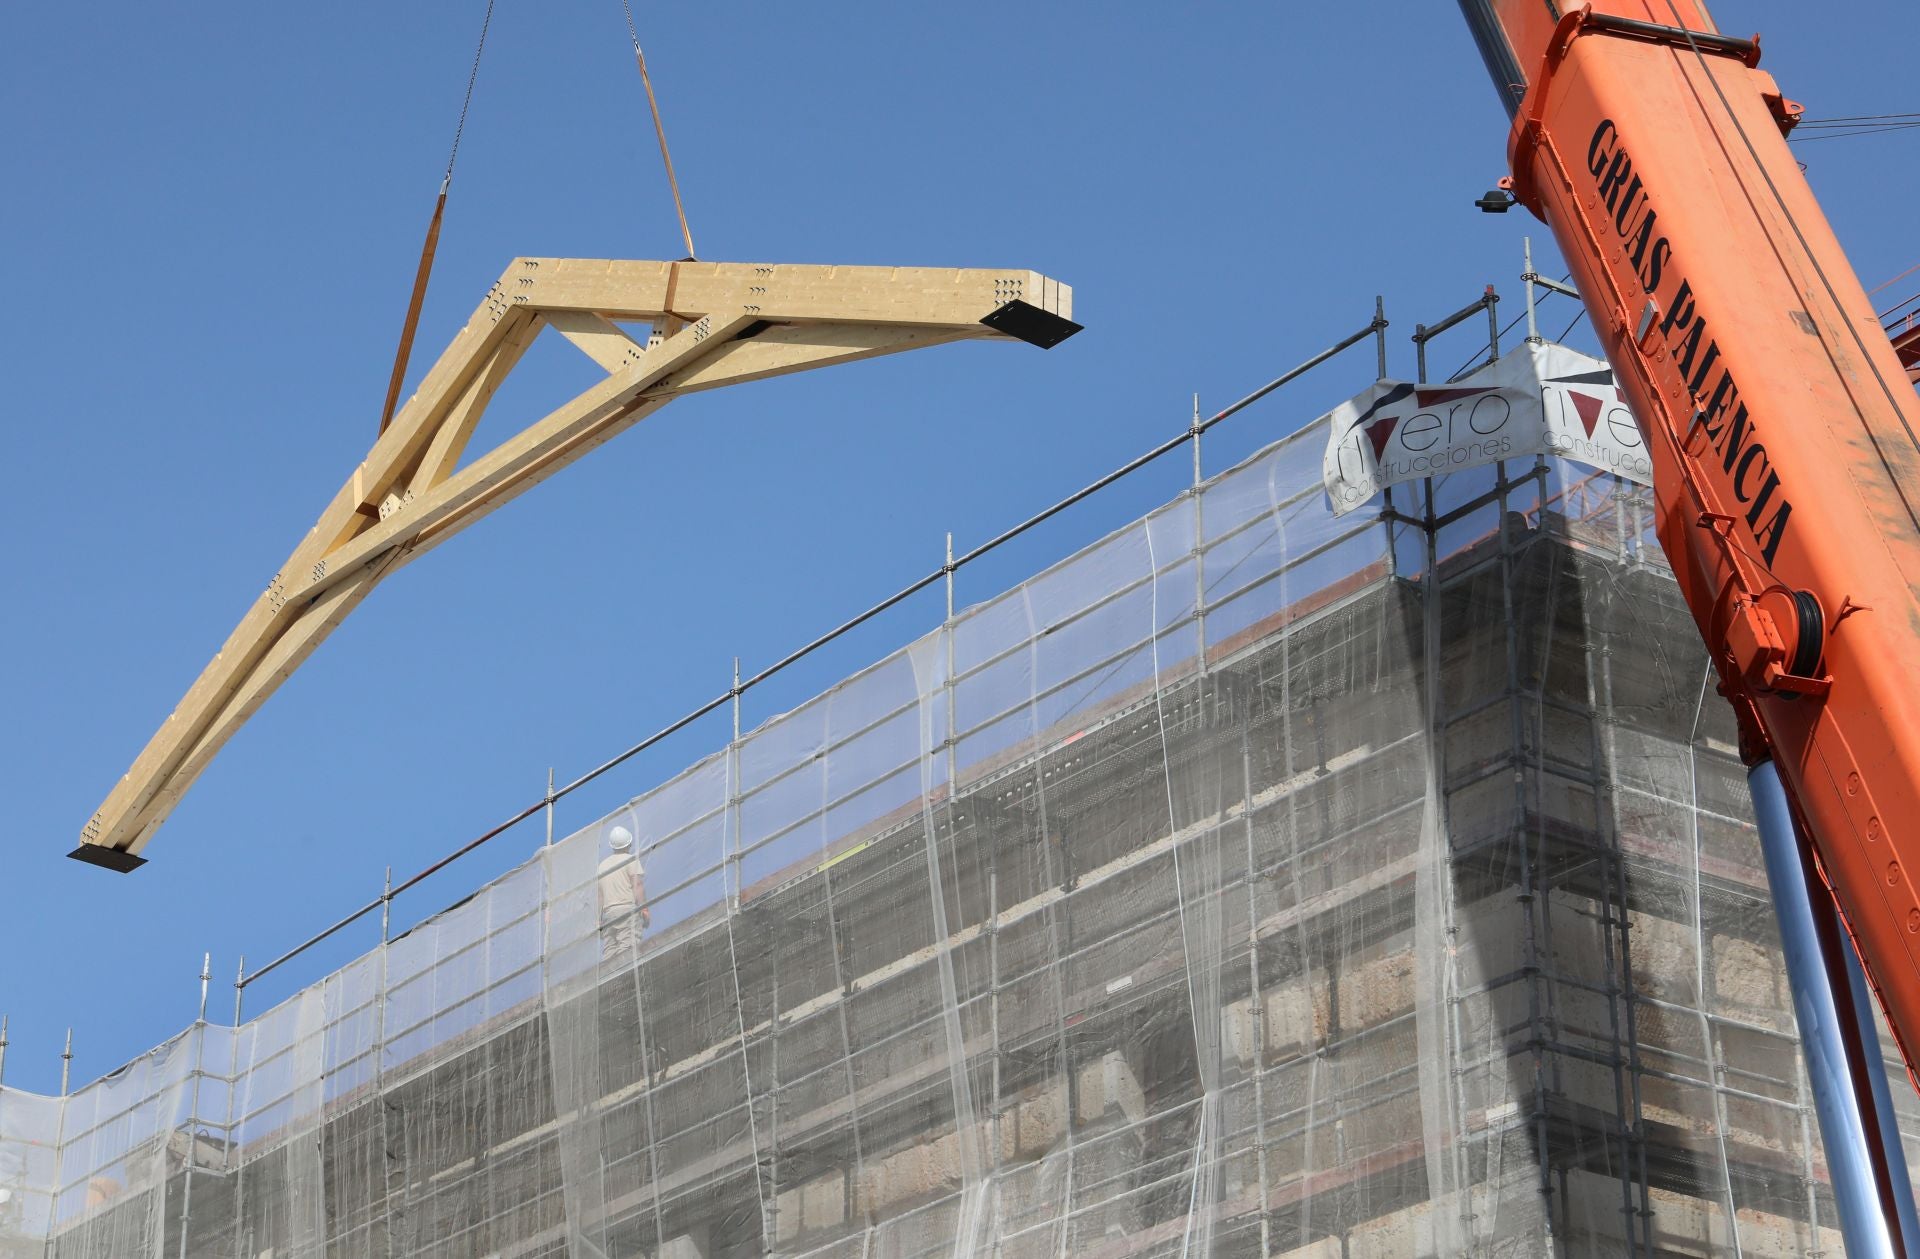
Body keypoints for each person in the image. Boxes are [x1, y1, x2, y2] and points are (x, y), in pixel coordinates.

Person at [597, 824, 649, 956]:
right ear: (628, 844)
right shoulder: (630, 860)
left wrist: (598, 920)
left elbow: (600, 896)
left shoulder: (602, 866)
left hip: (608, 915)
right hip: (626, 911)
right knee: (627, 950)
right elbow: (637, 885)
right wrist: (644, 909)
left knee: (610, 951)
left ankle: (610, 975)